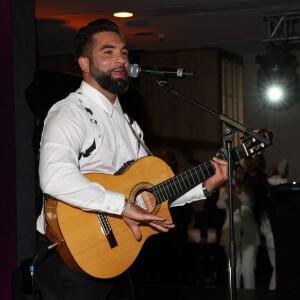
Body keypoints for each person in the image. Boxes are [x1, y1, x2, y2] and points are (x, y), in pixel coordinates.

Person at [35, 19, 228, 300]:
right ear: (85, 64)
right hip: (73, 256)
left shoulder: (129, 125)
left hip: (116, 254)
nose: (121, 60)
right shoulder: (69, 112)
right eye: (108, 52)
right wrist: (123, 206)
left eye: (124, 53)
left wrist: (205, 186)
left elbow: (151, 195)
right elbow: (53, 177)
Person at [217, 164, 260, 289]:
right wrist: (228, 192)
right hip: (230, 233)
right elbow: (220, 205)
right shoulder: (224, 189)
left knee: (248, 268)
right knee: (234, 268)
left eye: (240, 172)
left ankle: (249, 296)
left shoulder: (249, 187)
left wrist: (239, 191)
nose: (238, 175)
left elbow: (250, 202)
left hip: (250, 234)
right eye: (235, 173)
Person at [244, 156, 276, 290]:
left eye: (256, 160)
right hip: (246, 225)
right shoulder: (242, 177)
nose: (253, 162)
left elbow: (264, 195)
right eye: (250, 159)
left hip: (262, 223)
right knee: (247, 266)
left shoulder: (264, 178)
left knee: (265, 262)